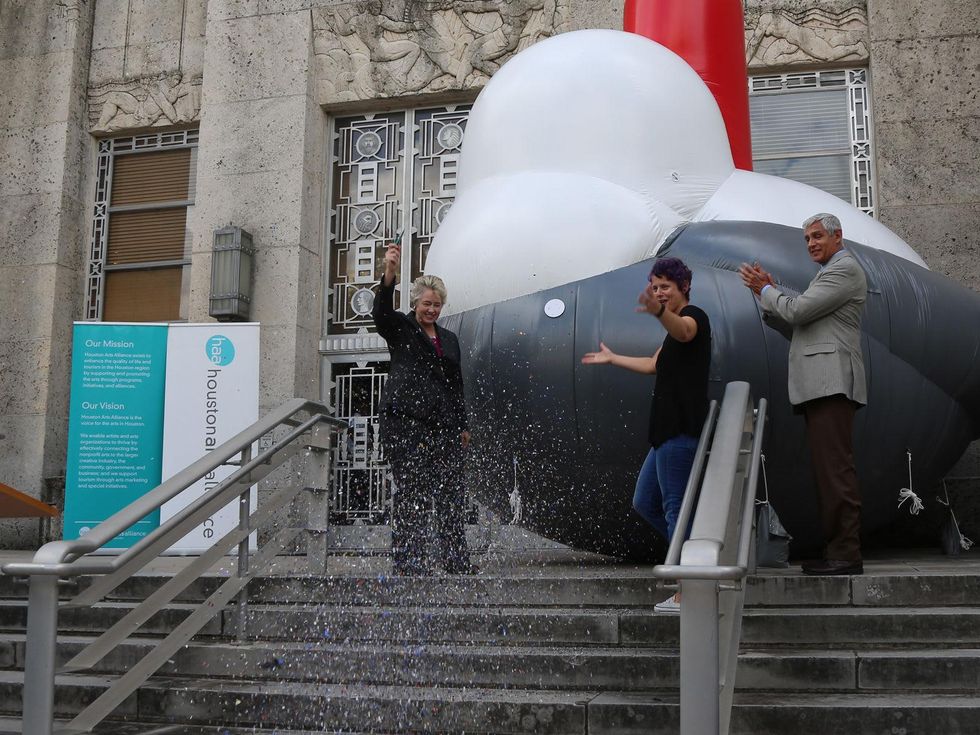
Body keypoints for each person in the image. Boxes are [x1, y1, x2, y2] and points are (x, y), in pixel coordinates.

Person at [738, 213, 867, 576]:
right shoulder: (826, 274)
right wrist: (766, 293)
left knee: (835, 472)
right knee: (829, 473)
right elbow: (799, 324)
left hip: (832, 383)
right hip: (821, 384)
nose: (811, 243)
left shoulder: (844, 270)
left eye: (817, 236)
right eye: (807, 238)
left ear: (837, 237)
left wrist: (766, 289)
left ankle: (845, 554)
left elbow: (798, 311)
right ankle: (838, 551)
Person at [582, 257, 711, 613]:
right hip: (664, 435)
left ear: (683, 287)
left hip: (680, 432)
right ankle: (695, 557)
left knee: (674, 510)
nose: (658, 293)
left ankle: (690, 591)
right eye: (654, 287)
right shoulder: (670, 337)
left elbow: (684, 331)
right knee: (645, 502)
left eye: (665, 287)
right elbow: (654, 364)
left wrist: (657, 312)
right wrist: (613, 359)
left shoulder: (694, 318)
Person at [372, 241, 474, 575]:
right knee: (412, 493)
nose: (431, 309)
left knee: (451, 493)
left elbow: (455, 385)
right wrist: (389, 273)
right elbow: (381, 313)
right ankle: (409, 561)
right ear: (415, 303)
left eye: (437, 305)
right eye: (426, 304)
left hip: (443, 427)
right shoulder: (401, 328)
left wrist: (463, 425)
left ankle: (456, 560)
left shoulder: (450, 339)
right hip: (405, 423)